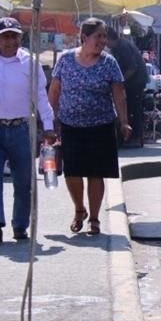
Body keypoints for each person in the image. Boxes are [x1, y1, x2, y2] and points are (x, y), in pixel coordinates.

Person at [0, 17, 56, 243]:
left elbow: (40, 96)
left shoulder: (29, 62)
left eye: (14, 36)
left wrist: (48, 126)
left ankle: (20, 226)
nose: (10, 42)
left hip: (20, 129)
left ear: (20, 37)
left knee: (23, 182)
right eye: (5, 37)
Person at [48, 18, 131, 236]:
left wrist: (124, 122)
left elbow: (119, 94)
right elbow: (54, 91)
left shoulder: (109, 63)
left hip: (100, 125)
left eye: (104, 36)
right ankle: (79, 209)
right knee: (72, 172)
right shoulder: (66, 60)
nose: (103, 41)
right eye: (98, 36)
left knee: (96, 173)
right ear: (84, 37)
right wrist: (49, 121)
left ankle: (94, 218)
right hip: (70, 125)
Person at [107, 27, 147, 147]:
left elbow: (132, 68)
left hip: (135, 82)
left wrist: (120, 81)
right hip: (129, 82)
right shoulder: (115, 48)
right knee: (127, 109)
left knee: (133, 109)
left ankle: (135, 138)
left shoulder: (123, 46)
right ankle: (126, 138)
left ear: (109, 38)